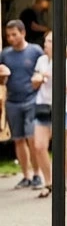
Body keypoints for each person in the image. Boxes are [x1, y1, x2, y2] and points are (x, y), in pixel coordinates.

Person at [31, 32, 67, 198]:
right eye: (45, 41)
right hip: (44, 105)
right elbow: (34, 83)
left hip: (65, 108)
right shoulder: (41, 61)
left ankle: (62, 184)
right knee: (39, 146)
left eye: (50, 41)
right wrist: (37, 79)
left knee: (61, 149)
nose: (46, 44)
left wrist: (54, 76)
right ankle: (48, 182)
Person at [0, 20, 44, 188]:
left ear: (23, 33)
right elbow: (2, 79)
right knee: (18, 139)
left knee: (32, 138)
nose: (11, 38)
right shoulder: (5, 54)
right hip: (13, 101)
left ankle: (37, 174)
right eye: (8, 35)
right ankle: (26, 175)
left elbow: (44, 71)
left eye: (14, 34)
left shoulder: (35, 51)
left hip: (32, 99)